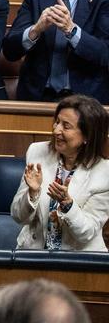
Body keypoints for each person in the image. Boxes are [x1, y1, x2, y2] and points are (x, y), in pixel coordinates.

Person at [12, 94, 109, 251]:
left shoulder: (104, 172)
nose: (56, 130)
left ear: (87, 135)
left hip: (79, 262)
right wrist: (32, 193)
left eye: (66, 126)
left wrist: (68, 205)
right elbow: (17, 216)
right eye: (57, 122)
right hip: (34, 254)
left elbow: (87, 233)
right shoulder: (37, 152)